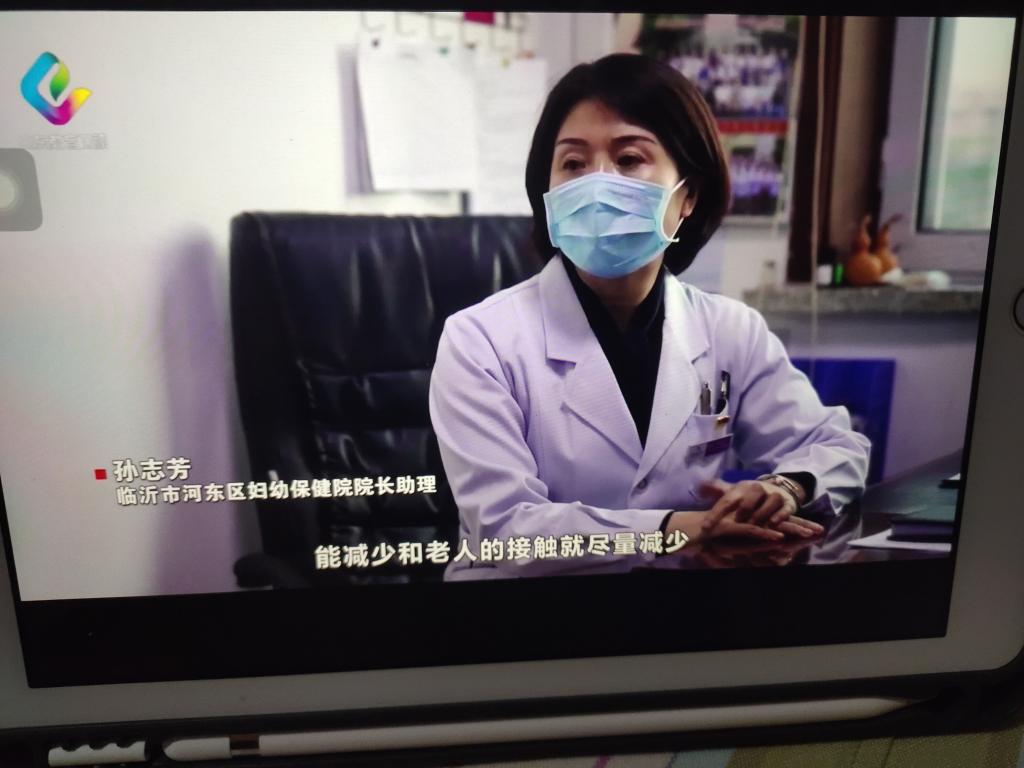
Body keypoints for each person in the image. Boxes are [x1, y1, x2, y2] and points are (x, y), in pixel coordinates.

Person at [429, 54, 870, 580]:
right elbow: (505, 528)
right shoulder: (480, 339)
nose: (596, 185)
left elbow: (837, 447)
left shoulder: (729, 330)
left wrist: (785, 488)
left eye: (629, 158)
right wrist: (680, 530)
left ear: (689, 196)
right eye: (573, 164)